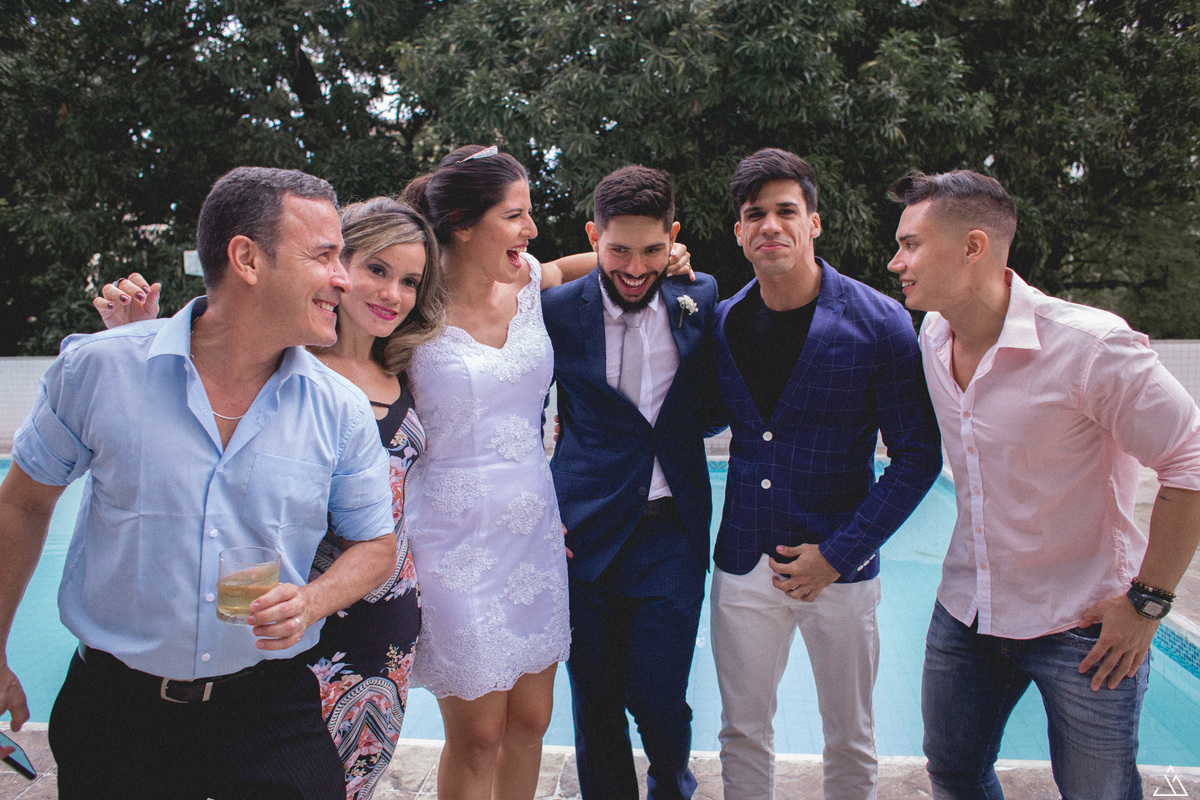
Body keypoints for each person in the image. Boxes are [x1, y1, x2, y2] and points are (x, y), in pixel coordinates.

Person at [0, 166, 398, 799]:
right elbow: (23, 504)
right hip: (116, 717)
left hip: (270, 710)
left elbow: (376, 544)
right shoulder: (98, 371)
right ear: (247, 259)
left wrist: (312, 601)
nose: (343, 279)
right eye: (324, 256)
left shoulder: (340, 408)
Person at [102, 198, 447, 800]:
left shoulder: (410, 371)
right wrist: (138, 335)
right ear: (335, 267)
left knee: (352, 784)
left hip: (383, 619)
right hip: (281, 622)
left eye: (410, 281)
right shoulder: (278, 368)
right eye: (377, 269)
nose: (393, 294)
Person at [886, 169, 1200, 799]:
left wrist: (1147, 604)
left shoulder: (1092, 347)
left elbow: (1190, 460)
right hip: (968, 612)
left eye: (911, 244)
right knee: (953, 773)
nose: (897, 262)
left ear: (973, 247)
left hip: (1083, 624)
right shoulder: (933, 334)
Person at [709, 148, 942, 800]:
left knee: (850, 735)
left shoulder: (881, 322)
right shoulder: (724, 322)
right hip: (743, 563)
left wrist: (837, 556)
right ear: (739, 231)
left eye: (787, 211)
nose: (770, 225)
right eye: (755, 214)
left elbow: (918, 456)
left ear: (813, 222)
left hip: (841, 570)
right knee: (742, 732)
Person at [399, 144, 581, 800]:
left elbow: (577, 264)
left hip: (533, 532)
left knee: (531, 720)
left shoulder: (527, 279)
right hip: (450, 543)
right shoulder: (409, 303)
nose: (530, 228)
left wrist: (660, 257)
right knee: (478, 734)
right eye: (515, 215)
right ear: (462, 225)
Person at [541, 165, 720, 800]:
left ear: (674, 237)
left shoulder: (701, 297)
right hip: (583, 533)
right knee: (594, 702)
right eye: (618, 250)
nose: (636, 268)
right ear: (593, 236)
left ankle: (672, 784)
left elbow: (712, 403)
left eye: (652, 250)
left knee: (658, 694)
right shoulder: (556, 311)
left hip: (671, 532)